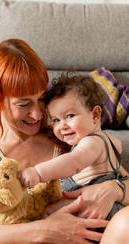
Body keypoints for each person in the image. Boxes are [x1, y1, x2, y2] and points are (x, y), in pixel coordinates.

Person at [0, 38, 125, 244]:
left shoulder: (67, 136)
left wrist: (114, 188)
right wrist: (46, 230)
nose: (38, 114)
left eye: (41, 98)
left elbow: (122, 177)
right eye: (23, 104)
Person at [19, 73, 128, 221]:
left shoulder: (91, 143)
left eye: (70, 116)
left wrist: (37, 172)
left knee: (48, 212)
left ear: (95, 115)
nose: (62, 126)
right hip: (106, 208)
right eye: (56, 120)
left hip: (98, 212)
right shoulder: (113, 142)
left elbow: (73, 162)